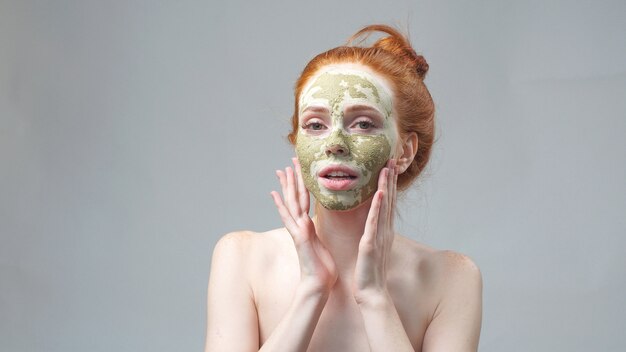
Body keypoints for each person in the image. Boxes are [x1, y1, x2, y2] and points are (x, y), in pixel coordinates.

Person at [204, 24, 482, 352]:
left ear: (405, 151)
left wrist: (375, 297)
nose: (335, 144)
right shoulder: (242, 257)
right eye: (315, 125)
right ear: (297, 143)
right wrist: (312, 290)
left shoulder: (451, 278)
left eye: (363, 124)